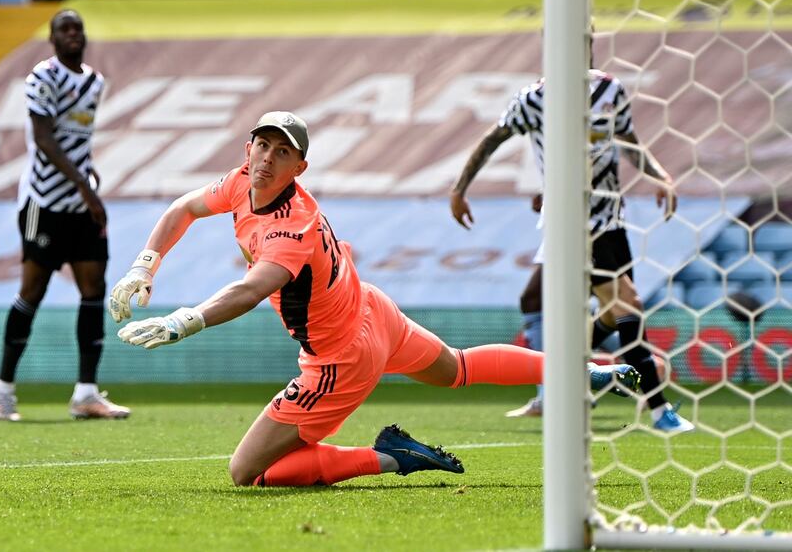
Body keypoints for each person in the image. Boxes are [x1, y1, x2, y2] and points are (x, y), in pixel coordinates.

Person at [110, 111, 638, 487]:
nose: (267, 158)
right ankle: (577, 370)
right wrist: (145, 264)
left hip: (341, 358)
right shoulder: (242, 181)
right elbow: (183, 208)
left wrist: (187, 320)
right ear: (247, 149)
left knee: (247, 472)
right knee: (455, 368)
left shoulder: (292, 226)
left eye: (283, 152)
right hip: (373, 311)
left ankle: (387, 458)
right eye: (262, 145)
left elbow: (251, 289)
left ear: (300, 169)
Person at [449, 61, 694, 434]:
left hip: (611, 219)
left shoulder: (611, 90)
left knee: (613, 311)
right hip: (571, 223)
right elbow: (493, 137)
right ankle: (660, 411)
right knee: (623, 301)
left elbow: (627, 140)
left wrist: (659, 176)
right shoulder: (534, 98)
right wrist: (459, 189)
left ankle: (570, 379)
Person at [0, 9, 129, 422]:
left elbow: (77, 139)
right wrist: (87, 188)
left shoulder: (94, 82)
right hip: (45, 203)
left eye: (77, 29)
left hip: (80, 205)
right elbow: (44, 139)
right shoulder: (41, 78)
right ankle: (2, 388)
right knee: (33, 290)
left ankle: (86, 394)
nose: (72, 34)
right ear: (52, 39)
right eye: (64, 29)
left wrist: (88, 172)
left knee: (93, 288)